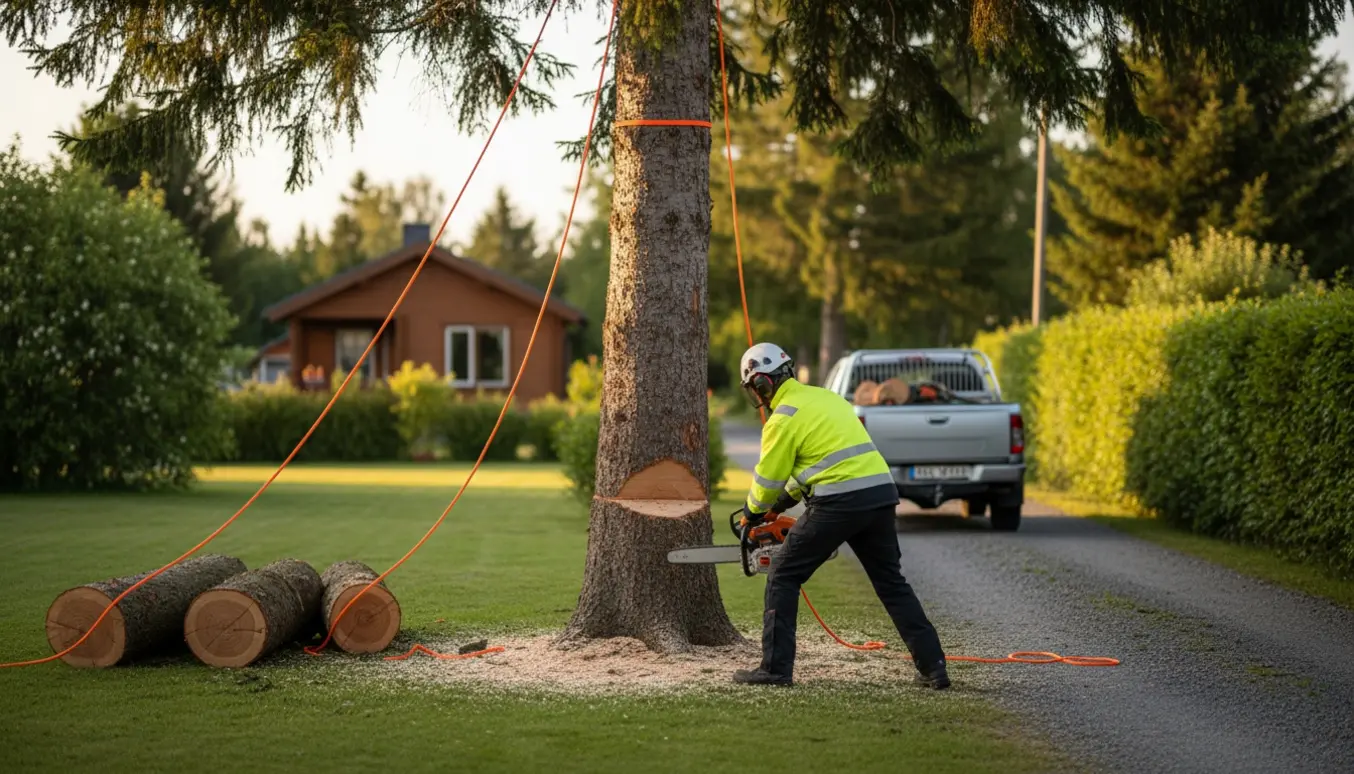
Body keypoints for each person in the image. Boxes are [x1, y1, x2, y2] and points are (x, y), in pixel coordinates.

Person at [731, 342, 949, 689]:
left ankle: (775, 669)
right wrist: (781, 505)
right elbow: (825, 461)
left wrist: (753, 513)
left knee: (783, 576)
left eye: (756, 388)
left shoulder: (782, 417)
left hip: (838, 503)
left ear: (761, 385)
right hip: (879, 496)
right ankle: (935, 667)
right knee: (892, 583)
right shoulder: (827, 398)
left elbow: (767, 479)